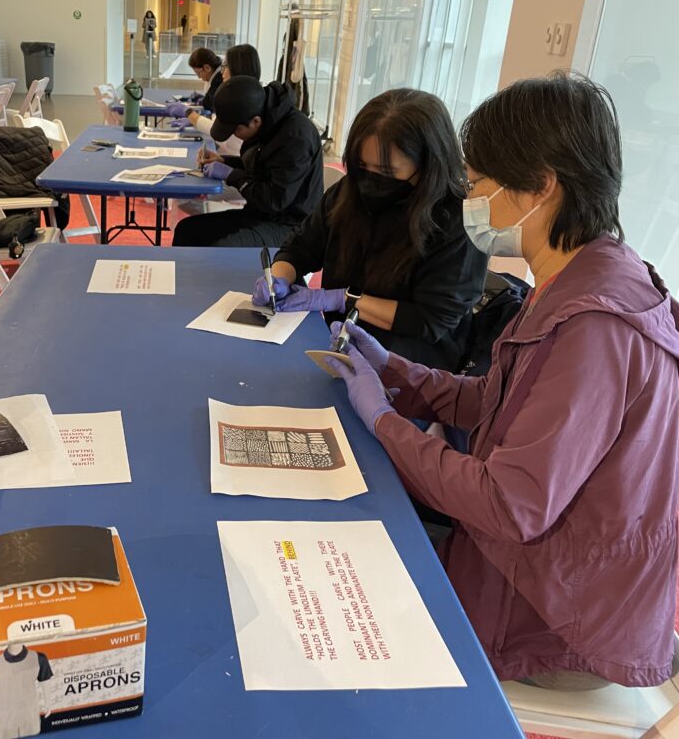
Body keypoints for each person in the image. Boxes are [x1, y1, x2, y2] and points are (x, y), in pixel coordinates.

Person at [331, 73, 679, 689]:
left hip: (554, 619)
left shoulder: (595, 327)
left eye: (478, 183)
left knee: (344, 610)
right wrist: (394, 372)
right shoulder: (584, 275)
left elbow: (507, 503)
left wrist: (383, 422)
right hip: (533, 571)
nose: (471, 199)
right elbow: (500, 400)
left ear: (541, 185)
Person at [255, 89, 487, 370]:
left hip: (411, 364)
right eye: (362, 166)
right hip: (339, 338)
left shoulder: (457, 219)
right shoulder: (351, 191)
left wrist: (343, 299)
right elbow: (301, 246)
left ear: (428, 164)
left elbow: (430, 320)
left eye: (387, 171)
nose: (370, 180)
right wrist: (279, 277)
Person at [172, 76, 323, 248]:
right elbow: (261, 168)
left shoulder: (296, 138)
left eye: (236, 130)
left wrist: (232, 175)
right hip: (260, 214)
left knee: (223, 249)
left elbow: (274, 201)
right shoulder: (266, 119)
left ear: (255, 121)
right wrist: (224, 161)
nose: (234, 135)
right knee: (187, 230)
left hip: (291, 226)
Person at [167, 43, 261, 154]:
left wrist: (189, 113)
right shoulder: (252, 95)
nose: (222, 71)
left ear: (237, 69)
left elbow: (216, 130)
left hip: (236, 155)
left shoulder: (237, 100)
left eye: (225, 66)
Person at [186, 47, 224, 112]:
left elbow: (209, 104)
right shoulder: (216, 75)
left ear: (207, 68)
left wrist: (205, 101)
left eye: (198, 73)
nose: (199, 77)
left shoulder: (219, 78)